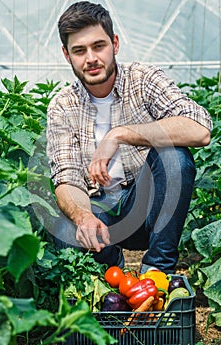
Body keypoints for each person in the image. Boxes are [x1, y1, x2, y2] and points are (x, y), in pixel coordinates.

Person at [46, 1, 212, 274]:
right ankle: (108, 275)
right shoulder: (63, 106)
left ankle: (157, 271)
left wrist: (120, 134)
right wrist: (84, 216)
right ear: (67, 55)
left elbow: (199, 128)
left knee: (173, 155)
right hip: (101, 215)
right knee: (64, 220)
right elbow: (67, 177)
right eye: (79, 50)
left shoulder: (143, 79)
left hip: (148, 208)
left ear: (115, 44)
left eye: (98, 46)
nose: (91, 58)